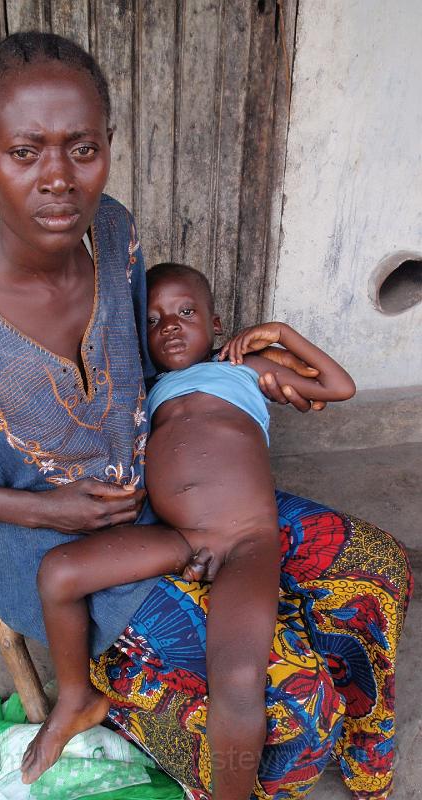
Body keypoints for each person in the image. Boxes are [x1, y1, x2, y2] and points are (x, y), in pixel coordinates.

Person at [0, 31, 412, 800]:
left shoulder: (114, 233)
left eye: (81, 149)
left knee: (376, 564)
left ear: (108, 146)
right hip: (46, 544)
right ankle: (136, 700)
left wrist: (231, 378)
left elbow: (138, 365)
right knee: (288, 714)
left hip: (169, 495)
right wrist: (45, 512)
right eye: (25, 152)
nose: (58, 179)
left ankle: (343, 725)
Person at [20, 262, 356, 789]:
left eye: (184, 311)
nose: (169, 325)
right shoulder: (145, 393)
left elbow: (339, 386)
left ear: (217, 323)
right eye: (153, 320)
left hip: (246, 540)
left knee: (239, 676)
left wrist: (281, 334)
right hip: (183, 538)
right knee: (59, 573)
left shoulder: (244, 369)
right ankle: (75, 698)